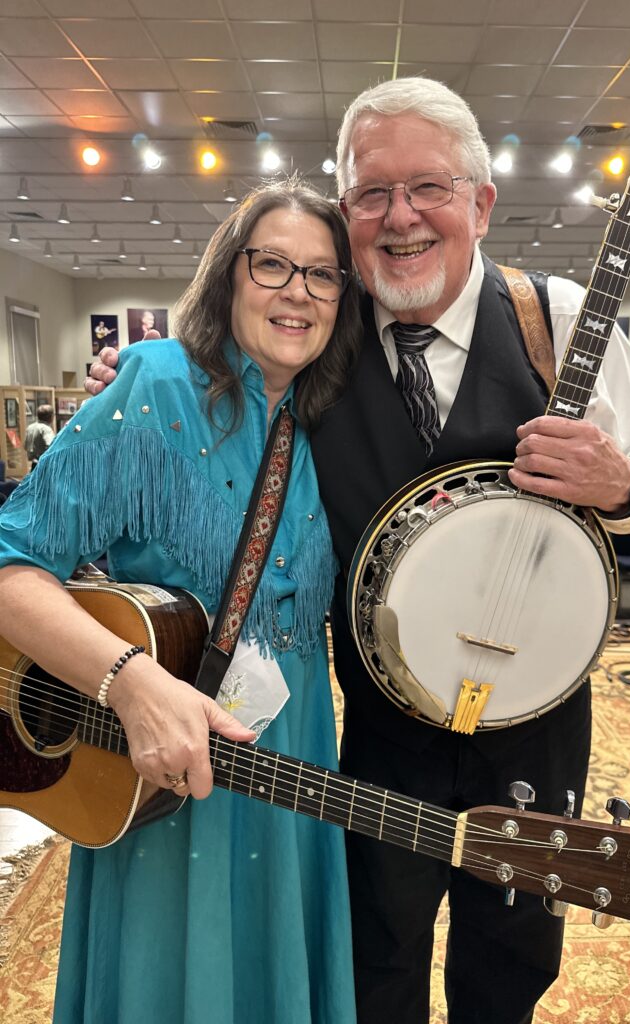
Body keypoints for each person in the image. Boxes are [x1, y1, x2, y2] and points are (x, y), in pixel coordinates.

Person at [87, 78, 630, 1024]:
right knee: (376, 958)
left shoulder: (558, 318)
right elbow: (218, 364)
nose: (401, 217)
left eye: (429, 188)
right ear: (347, 213)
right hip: (379, 725)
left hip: (534, 721)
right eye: (372, 193)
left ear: (481, 204)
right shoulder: (318, 333)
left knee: (511, 965)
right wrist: (135, 380)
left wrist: (625, 485)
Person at [0, 179, 360, 1024]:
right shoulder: (156, 385)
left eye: (322, 274)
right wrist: (130, 684)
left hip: (295, 759)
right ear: (229, 273)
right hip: (162, 767)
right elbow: (11, 568)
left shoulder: (333, 417)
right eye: (272, 265)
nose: (298, 292)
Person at [23, 402, 55, 466]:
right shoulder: (46, 429)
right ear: (50, 416)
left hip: (34, 463)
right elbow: (51, 445)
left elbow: (25, 446)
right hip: (44, 464)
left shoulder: (30, 427)